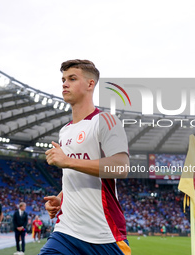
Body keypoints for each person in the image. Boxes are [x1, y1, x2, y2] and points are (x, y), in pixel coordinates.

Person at [40, 59, 131, 255]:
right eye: (63, 79)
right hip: (66, 231)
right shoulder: (65, 131)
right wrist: (60, 197)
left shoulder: (106, 121)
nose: (65, 83)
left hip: (104, 234)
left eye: (72, 78)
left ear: (91, 84)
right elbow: (73, 174)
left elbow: (121, 167)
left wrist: (68, 161)